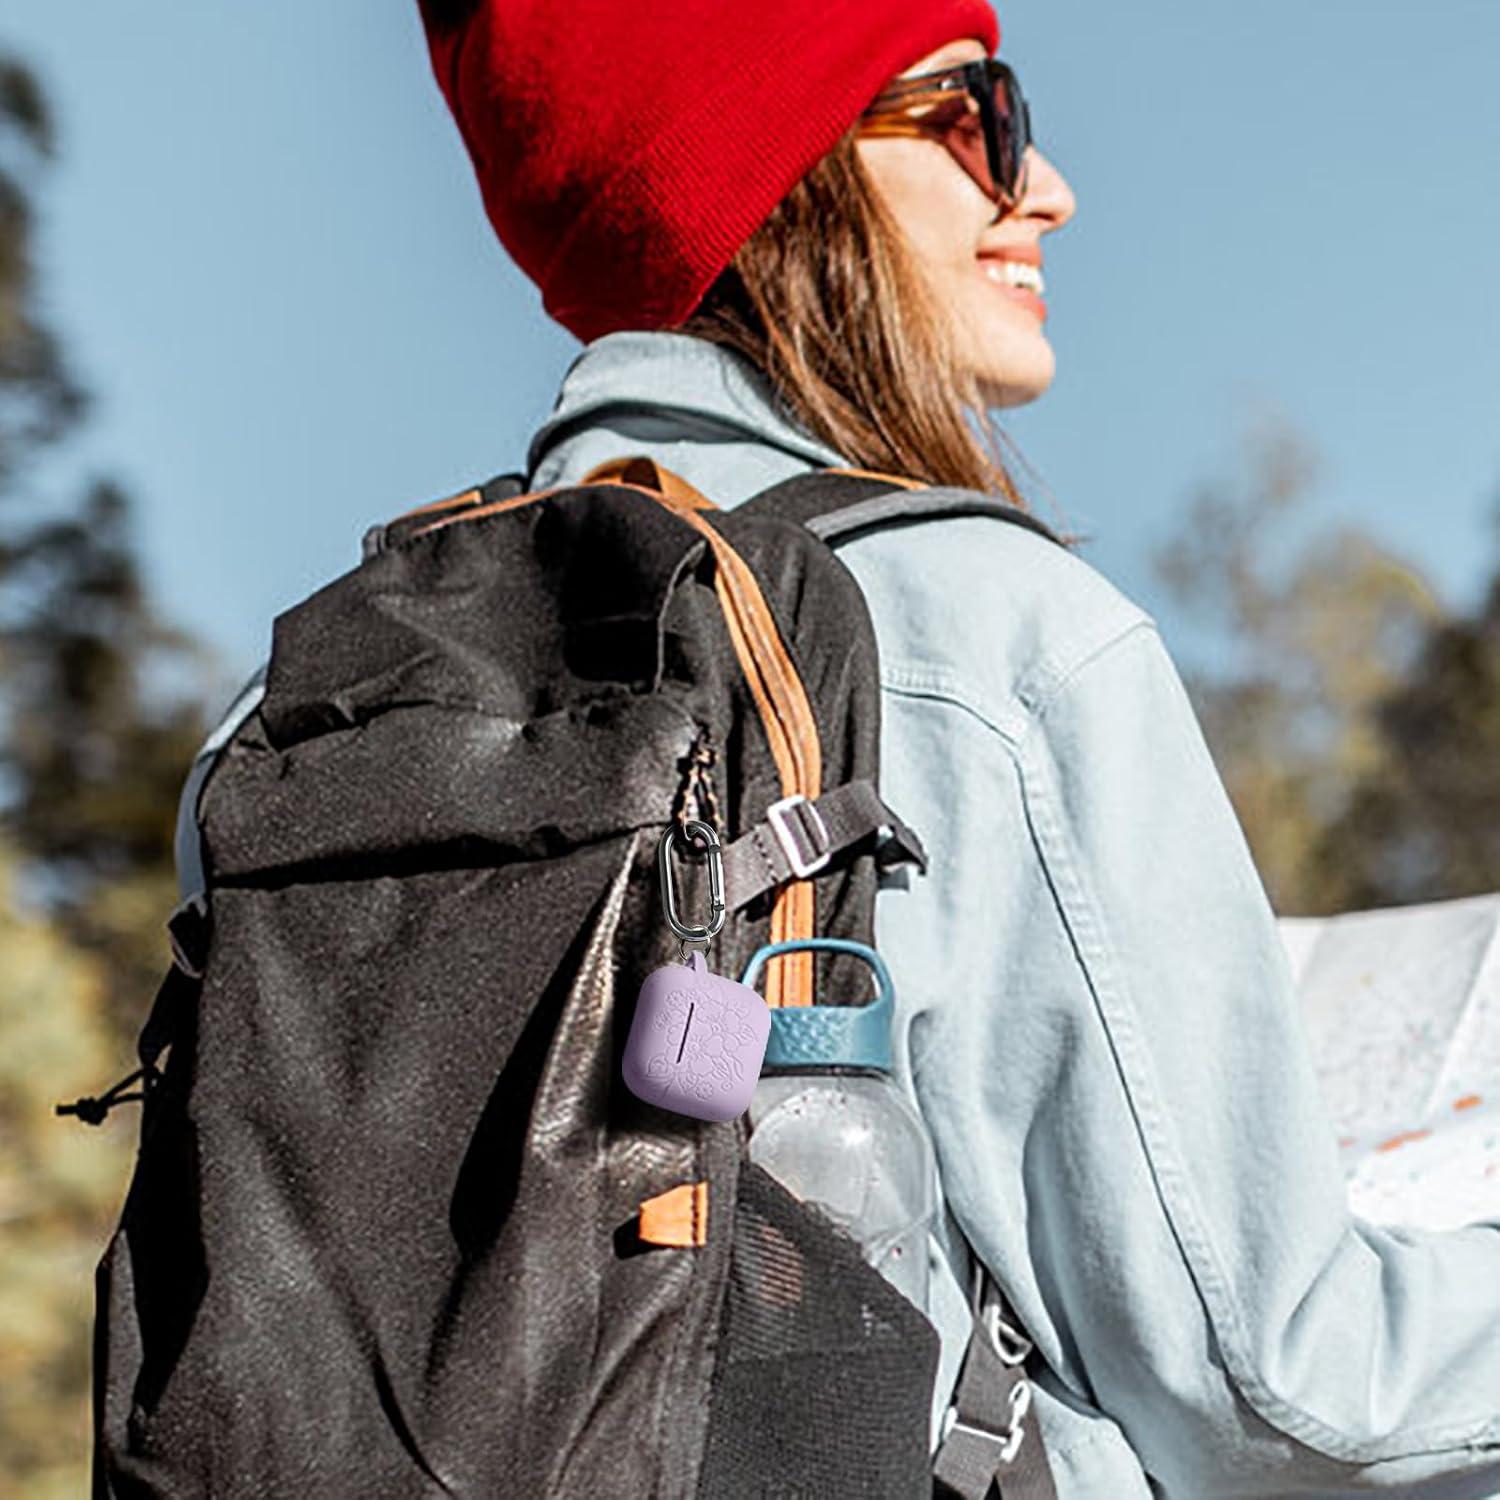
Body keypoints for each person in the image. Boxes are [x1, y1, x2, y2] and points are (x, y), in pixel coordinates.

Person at [177, 3, 1500, 1493]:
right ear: (789, 170)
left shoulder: (288, 717)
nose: (1044, 183)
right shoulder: (990, 633)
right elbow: (1280, 1387)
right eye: (973, 111)